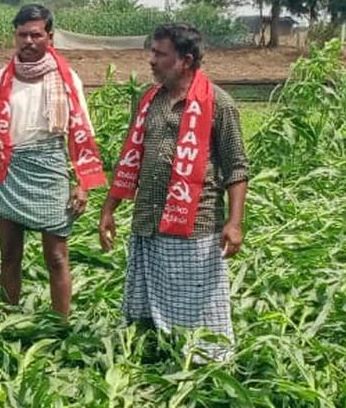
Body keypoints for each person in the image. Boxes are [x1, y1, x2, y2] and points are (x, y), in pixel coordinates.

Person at [98, 23, 249, 361]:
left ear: (186, 60)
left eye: (160, 54)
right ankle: (154, 356)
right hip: (148, 221)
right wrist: (109, 209)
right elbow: (130, 157)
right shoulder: (150, 100)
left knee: (197, 303)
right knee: (148, 298)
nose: (151, 60)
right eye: (152, 52)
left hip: (195, 226)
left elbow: (236, 167)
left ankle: (206, 365)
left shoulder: (219, 105)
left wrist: (235, 223)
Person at [0, 4, 106, 317]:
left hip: (49, 168)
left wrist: (82, 183)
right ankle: (9, 320)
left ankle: (62, 325)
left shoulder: (66, 78)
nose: (28, 41)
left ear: (50, 36)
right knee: (10, 256)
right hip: (6, 171)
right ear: (14, 37)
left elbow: (81, 132)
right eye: (22, 35)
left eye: (36, 34)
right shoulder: (0, 80)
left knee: (57, 257)